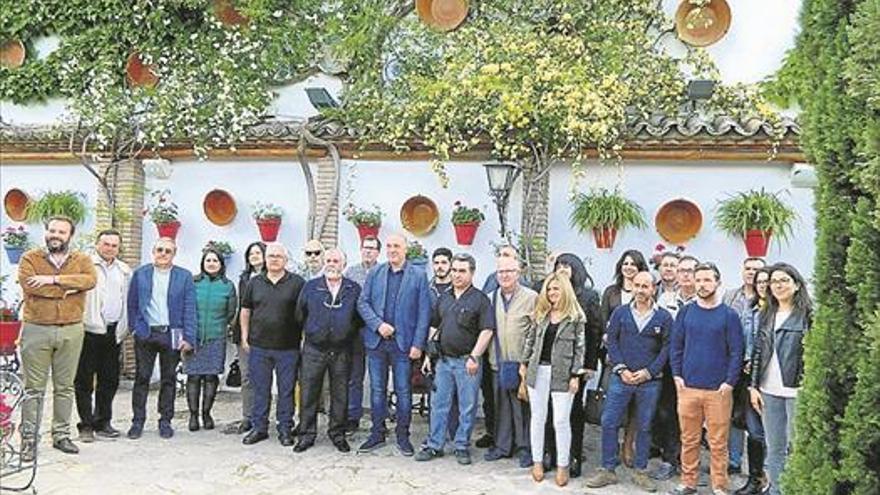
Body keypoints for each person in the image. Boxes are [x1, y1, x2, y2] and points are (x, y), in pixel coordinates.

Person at [585, 271, 672, 492]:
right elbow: (611, 341)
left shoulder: (663, 317)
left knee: (644, 426)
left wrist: (649, 372)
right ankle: (608, 469)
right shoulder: (621, 313)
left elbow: (667, 348)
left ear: (654, 289)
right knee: (609, 421)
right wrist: (621, 368)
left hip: (650, 381)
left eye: (646, 286)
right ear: (632, 287)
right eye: (637, 286)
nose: (641, 291)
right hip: (620, 378)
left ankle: (641, 471)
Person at [18, 216, 97, 458]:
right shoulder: (30, 258)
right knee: (34, 388)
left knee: (64, 387)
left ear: (70, 235)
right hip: (36, 328)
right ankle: (29, 440)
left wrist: (53, 280)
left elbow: (90, 280)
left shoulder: (81, 259)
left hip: (71, 330)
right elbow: (30, 285)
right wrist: (69, 290)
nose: (56, 235)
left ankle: (61, 435)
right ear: (46, 232)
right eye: (52, 230)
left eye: (61, 232)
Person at [669, 262, 744, 495]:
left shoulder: (729, 316)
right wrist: (677, 375)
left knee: (718, 443)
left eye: (707, 280)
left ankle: (719, 486)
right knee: (689, 439)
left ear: (718, 282)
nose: (702, 284)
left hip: (718, 390)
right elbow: (676, 345)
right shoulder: (686, 312)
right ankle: (688, 482)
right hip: (688, 387)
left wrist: (729, 382)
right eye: (698, 280)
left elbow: (736, 352)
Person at [415, 253, 495, 466]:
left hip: (467, 362)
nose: (457, 275)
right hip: (443, 361)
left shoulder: (480, 299)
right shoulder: (444, 297)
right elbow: (434, 326)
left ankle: (461, 446)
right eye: (454, 270)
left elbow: (487, 330)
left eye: (462, 271)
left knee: (467, 406)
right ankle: (435, 445)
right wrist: (428, 355)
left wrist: (474, 356)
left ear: (472, 273)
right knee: (438, 404)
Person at [357, 233, 431, 455]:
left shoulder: (418, 276)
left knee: (403, 391)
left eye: (396, 246)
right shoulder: (376, 273)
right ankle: (377, 433)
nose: (392, 250)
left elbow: (424, 313)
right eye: (389, 246)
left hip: (403, 345)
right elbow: (363, 303)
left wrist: (418, 344)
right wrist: (377, 325)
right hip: (377, 343)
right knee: (377, 390)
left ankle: (403, 436)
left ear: (405, 249)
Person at [749, 263, 811, 495]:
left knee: (797, 446)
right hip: (768, 391)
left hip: (797, 391)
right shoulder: (767, 314)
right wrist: (753, 387)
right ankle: (776, 489)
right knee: (774, 447)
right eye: (774, 281)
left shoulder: (808, 315)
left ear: (796, 285)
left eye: (784, 280)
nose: (778, 285)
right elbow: (757, 351)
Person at [520, 273, 586, 487]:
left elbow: (580, 349)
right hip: (537, 370)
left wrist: (576, 375)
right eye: (549, 289)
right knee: (538, 418)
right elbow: (530, 340)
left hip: (563, 374)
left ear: (565, 290)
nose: (552, 293)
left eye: (556, 289)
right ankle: (537, 461)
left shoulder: (575, 317)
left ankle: (563, 464)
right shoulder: (541, 314)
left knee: (560, 421)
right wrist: (524, 363)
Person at [294, 248, 363, 453]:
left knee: (340, 393)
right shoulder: (311, 287)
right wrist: (315, 331)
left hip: (342, 350)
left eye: (336, 260)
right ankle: (306, 434)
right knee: (309, 392)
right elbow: (300, 314)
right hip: (314, 349)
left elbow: (358, 318)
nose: (332, 264)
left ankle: (337, 433)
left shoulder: (353, 289)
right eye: (329, 260)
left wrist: (345, 332)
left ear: (344, 264)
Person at [127, 237, 196, 440]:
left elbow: (190, 308)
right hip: (146, 333)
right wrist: (134, 328)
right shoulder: (141, 274)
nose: (163, 254)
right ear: (153, 251)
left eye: (168, 251)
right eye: (159, 249)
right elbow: (132, 304)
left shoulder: (184, 277)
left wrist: (189, 337)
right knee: (142, 378)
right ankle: (137, 421)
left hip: (171, 334)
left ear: (174, 254)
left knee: (168, 379)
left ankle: (165, 420)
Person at [240, 243, 306, 447]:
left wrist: (303, 340)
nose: (274, 259)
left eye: (279, 256)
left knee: (286, 391)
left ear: (286, 260)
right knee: (261, 389)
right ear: (266, 259)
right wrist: (244, 336)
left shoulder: (297, 283)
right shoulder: (254, 282)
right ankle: (259, 428)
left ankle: (285, 428)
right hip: (259, 346)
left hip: (288, 347)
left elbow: (305, 313)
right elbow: (245, 310)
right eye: (271, 256)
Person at [542, 253, 602, 478]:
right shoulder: (550, 293)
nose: (563, 269)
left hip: (576, 366)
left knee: (573, 412)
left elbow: (595, 332)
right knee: (548, 410)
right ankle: (550, 452)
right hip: (550, 363)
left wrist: (588, 365)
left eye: (567, 265)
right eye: (559, 265)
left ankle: (573, 456)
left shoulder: (587, 297)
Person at [75, 229, 131, 442]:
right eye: (106, 244)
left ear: (119, 248)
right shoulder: (85, 265)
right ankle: (86, 425)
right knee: (84, 381)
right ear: (97, 244)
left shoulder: (124, 270)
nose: (110, 248)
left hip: (113, 332)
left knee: (110, 380)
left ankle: (103, 421)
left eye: (114, 245)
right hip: (89, 331)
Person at [483, 255, 536, 468]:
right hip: (497, 361)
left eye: (509, 271)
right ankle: (503, 446)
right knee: (501, 406)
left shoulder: (531, 297)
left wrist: (528, 361)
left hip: (521, 363)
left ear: (518, 273)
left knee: (522, 408)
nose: (505, 275)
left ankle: (525, 448)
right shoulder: (489, 298)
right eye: (501, 272)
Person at [651, 254, 700, 481]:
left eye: (691, 271)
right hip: (671, 365)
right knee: (667, 411)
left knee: (694, 416)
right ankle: (670, 459)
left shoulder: (706, 301)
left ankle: (690, 464)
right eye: (683, 271)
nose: (686, 275)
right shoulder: (665, 300)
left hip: (698, 367)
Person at [723, 257, 766, 475]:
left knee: (754, 418)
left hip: (755, 369)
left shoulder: (766, 304)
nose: (751, 273)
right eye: (748, 268)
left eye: (757, 270)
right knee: (734, 414)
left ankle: (760, 468)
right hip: (732, 364)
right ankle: (734, 460)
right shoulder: (731, 296)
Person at [185, 248, 236, 432]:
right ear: (203, 263)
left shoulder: (227, 285)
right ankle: (193, 415)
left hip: (216, 336)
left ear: (221, 264)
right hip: (194, 337)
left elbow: (231, 312)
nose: (212, 263)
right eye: (208, 260)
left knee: (210, 376)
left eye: (215, 260)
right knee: (193, 376)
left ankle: (206, 413)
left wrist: (224, 327)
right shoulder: (193, 282)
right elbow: (186, 307)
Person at [734, 267, 771, 495]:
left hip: (772, 379)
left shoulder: (781, 312)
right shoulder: (751, 309)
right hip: (750, 379)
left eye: (767, 281)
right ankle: (755, 479)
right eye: (760, 282)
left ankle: (774, 480)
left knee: (775, 433)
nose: (763, 285)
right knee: (754, 431)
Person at [224, 241, 266, 435]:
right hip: (246, 333)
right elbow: (243, 308)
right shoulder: (244, 279)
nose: (255, 256)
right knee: (247, 376)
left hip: (267, 335)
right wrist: (242, 334)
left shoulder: (272, 277)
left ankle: (262, 416)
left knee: (264, 378)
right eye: (251, 254)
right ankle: (247, 416)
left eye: (258, 252)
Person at [343, 235, 381, 432]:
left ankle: (379, 419)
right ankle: (352, 415)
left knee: (378, 379)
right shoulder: (351, 272)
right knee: (354, 376)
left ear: (378, 252)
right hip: (356, 331)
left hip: (376, 331)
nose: (368, 251)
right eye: (366, 248)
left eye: (373, 248)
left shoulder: (384, 272)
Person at [601, 250, 649, 324]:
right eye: (626, 264)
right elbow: (603, 319)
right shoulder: (610, 292)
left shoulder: (646, 292)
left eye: (633, 264)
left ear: (640, 268)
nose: (628, 267)